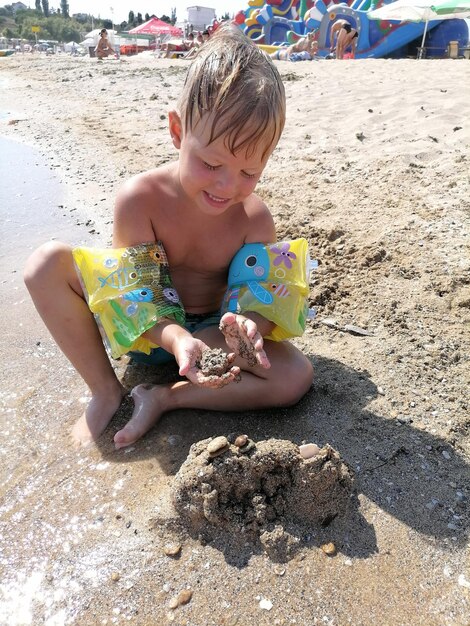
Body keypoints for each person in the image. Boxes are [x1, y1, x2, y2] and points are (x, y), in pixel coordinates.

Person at [24, 25, 314, 451]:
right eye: (211, 163)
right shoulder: (140, 199)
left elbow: (255, 299)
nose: (227, 186)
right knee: (45, 265)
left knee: (296, 377)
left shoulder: (254, 218)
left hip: (211, 338)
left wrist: (250, 327)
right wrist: (176, 339)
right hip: (145, 331)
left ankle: (163, 398)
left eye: (250, 172)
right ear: (178, 132)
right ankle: (105, 390)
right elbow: (136, 293)